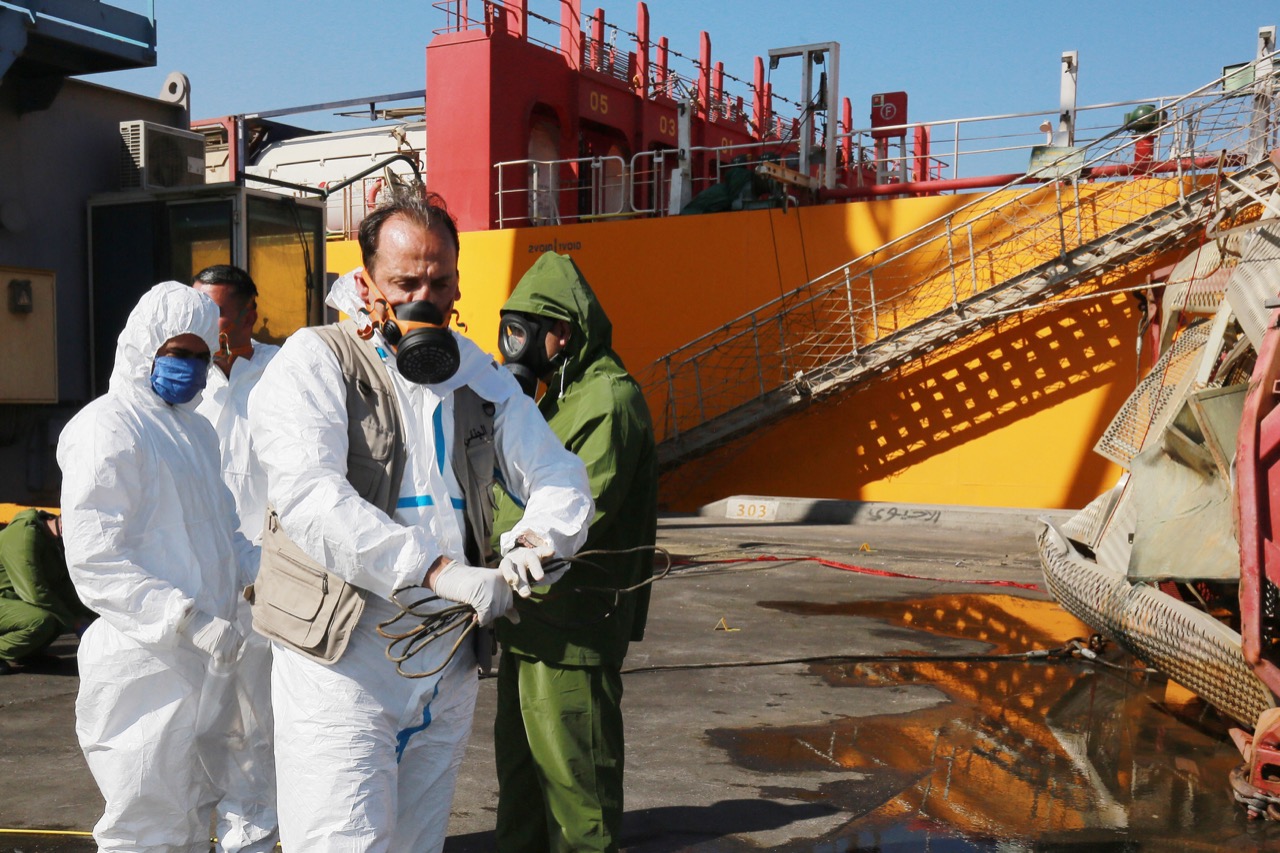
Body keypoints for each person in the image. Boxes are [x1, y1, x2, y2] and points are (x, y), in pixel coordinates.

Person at [247, 191, 594, 853]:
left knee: (418, 842)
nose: (422, 300)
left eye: (438, 283)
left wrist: (538, 541)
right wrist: (437, 571)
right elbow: (311, 498)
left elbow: (558, 475)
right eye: (405, 283)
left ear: (458, 284)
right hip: (344, 659)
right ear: (367, 283)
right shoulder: (315, 361)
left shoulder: (477, 373)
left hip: (446, 660)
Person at [57, 280, 260, 853]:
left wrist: (273, 575)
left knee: (193, 812)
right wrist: (185, 619)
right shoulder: (107, 427)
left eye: (201, 355)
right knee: (145, 821)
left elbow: (223, 533)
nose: (191, 367)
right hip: (144, 661)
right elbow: (96, 556)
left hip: (206, 659)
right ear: (143, 346)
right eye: (177, 353)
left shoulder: (195, 431)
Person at [491, 251, 659, 853]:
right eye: (508, 332)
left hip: (573, 633)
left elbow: (578, 510)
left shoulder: (607, 400)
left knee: (575, 799)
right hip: (529, 622)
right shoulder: (557, 398)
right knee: (521, 790)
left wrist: (501, 537)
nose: (514, 348)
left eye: (523, 333)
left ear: (561, 332)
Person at [193, 264, 281, 853]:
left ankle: (258, 832)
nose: (207, 324)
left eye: (218, 311)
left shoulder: (283, 372)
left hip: (272, 578)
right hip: (202, 577)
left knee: (262, 721)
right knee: (201, 720)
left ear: (250, 313)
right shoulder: (185, 380)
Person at [0, 508, 94, 674]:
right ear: (65, 527)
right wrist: (75, 622)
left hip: (13, 601)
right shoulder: (23, 536)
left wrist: (90, 616)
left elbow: (63, 587)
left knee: (60, 614)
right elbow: (34, 593)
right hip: (6, 601)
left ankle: (26, 653)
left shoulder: (51, 539)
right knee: (42, 620)